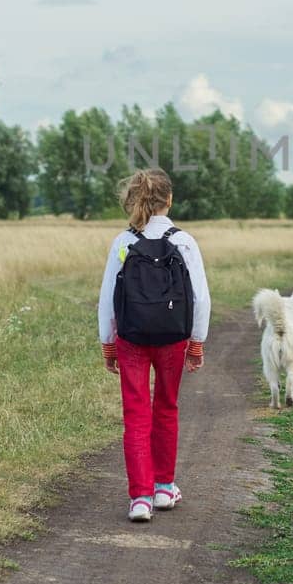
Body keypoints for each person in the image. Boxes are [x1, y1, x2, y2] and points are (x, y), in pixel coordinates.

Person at [97, 168, 210, 522]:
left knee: (136, 414)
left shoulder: (123, 242)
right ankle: (164, 488)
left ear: (135, 199)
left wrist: (107, 342)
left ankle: (140, 499)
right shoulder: (185, 241)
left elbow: (106, 299)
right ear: (169, 200)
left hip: (131, 338)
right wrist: (197, 342)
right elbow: (200, 298)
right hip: (173, 337)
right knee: (167, 407)